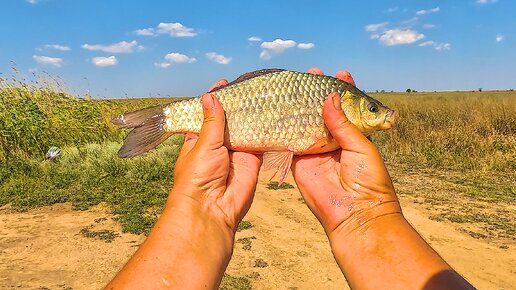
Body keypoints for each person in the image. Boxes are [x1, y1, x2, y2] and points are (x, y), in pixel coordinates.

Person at [105, 69, 474, 290]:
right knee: (175, 117)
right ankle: (161, 120)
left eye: (374, 109)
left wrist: (200, 210)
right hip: (231, 111)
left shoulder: (333, 103)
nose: (381, 116)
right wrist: (368, 218)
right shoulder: (331, 109)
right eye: (372, 109)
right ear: (344, 108)